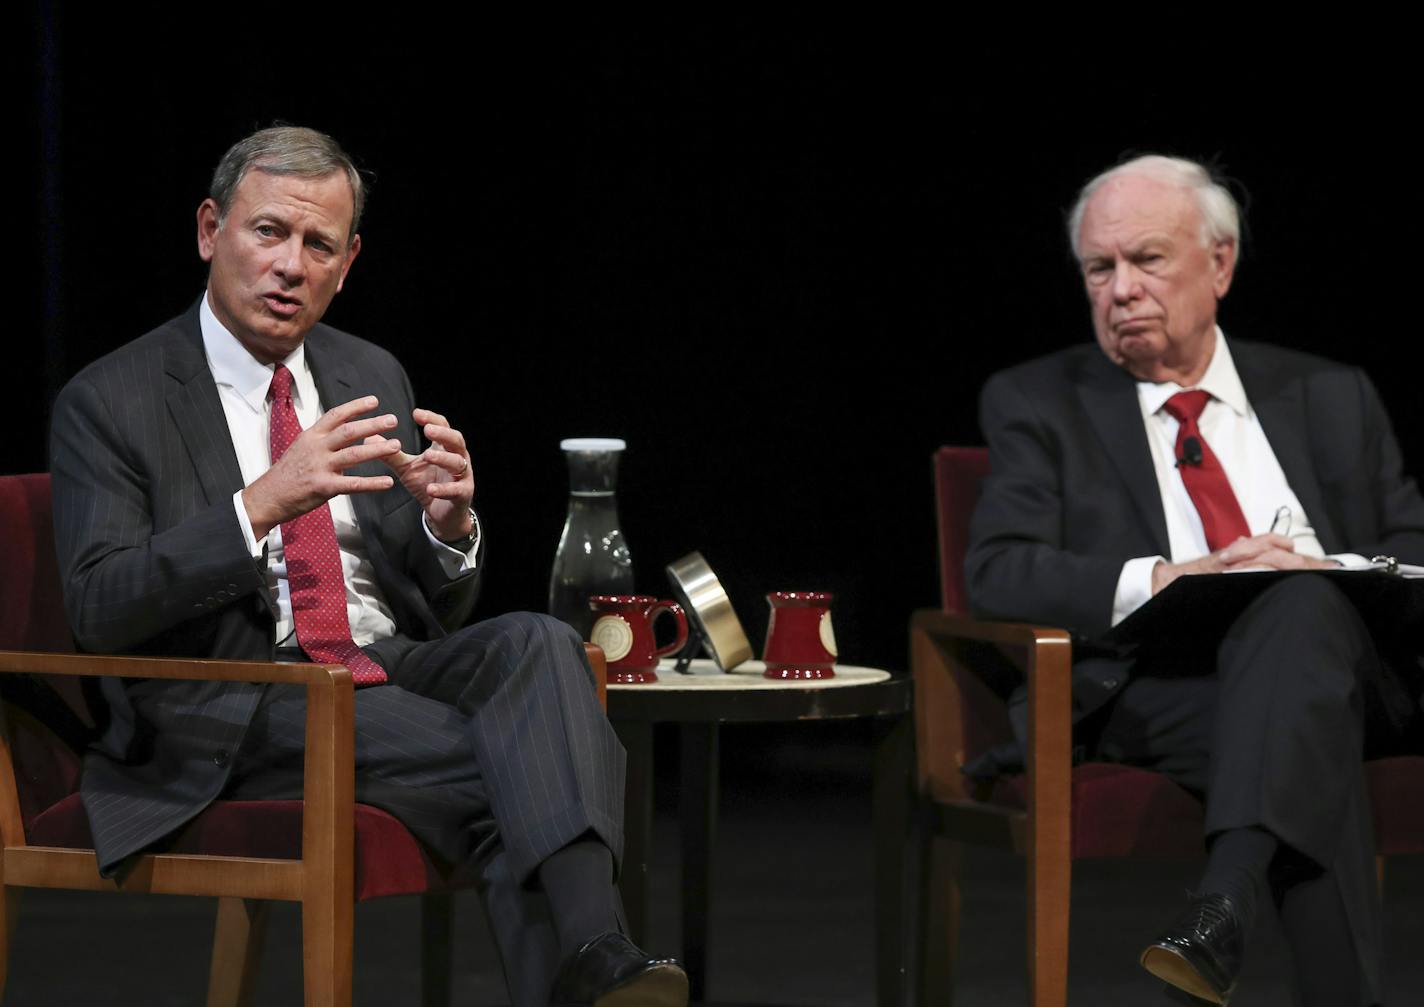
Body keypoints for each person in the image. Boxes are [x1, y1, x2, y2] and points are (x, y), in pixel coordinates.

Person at [49, 125, 688, 1007]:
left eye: (318, 245)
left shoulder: (365, 369)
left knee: (540, 646)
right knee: (531, 764)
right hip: (231, 695)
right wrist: (262, 503)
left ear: (347, 264)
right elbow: (98, 602)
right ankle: (597, 957)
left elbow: (437, 604)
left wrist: (446, 525)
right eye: (268, 231)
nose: (290, 265)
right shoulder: (109, 399)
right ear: (209, 230)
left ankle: (592, 958)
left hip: (382, 666)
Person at [965, 154, 1424, 1006]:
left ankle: (1219, 912)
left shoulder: (1331, 393)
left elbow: (1412, 548)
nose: (1122, 288)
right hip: (1162, 685)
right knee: (1300, 725)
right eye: (1100, 269)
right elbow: (1000, 568)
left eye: (1148, 259)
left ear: (1220, 264)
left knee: (1300, 612)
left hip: (1355, 672)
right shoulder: (1040, 401)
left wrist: (1322, 569)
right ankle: (1234, 913)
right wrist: (1172, 575)